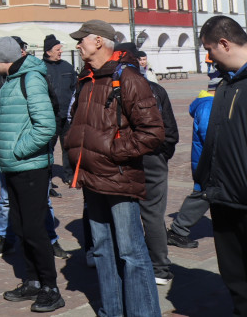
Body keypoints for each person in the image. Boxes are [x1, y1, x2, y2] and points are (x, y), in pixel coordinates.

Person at [65, 19, 164, 317]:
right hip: (92, 177)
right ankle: (112, 310)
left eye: (82, 39)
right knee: (103, 250)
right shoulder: (87, 77)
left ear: (98, 41)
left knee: (132, 252)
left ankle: (143, 313)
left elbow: (153, 132)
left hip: (119, 177)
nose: (77, 44)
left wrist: (113, 151)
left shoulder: (129, 77)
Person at [0, 36, 65, 311]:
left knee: (34, 229)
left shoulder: (30, 79)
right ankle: (32, 281)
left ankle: (50, 288)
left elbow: (45, 126)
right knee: (21, 227)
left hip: (29, 167)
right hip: (15, 168)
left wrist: (18, 150)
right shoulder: (13, 80)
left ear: (3, 58)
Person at [114, 44, 180, 286]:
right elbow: (170, 131)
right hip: (152, 156)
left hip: (126, 156)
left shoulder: (115, 89)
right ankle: (160, 268)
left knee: (125, 211)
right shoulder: (155, 89)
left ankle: (132, 263)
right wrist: (161, 154)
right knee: (153, 213)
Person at [195, 15, 247, 315]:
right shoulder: (226, 83)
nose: (208, 56)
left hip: (243, 197)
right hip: (223, 197)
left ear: (224, 44)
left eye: (209, 49)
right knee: (236, 278)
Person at [167, 78, 217, 249]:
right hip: (208, 162)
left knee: (207, 195)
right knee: (202, 195)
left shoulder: (209, 103)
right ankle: (177, 231)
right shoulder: (208, 105)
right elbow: (210, 136)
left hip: (209, 161)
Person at [42, 34, 77, 184]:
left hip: (67, 114)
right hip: (49, 115)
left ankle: (69, 176)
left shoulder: (67, 66)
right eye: (57, 49)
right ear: (48, 52)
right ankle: (46, 178)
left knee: (68, 147)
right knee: (47, 148)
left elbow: (75, 87)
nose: (60, 52)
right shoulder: (40, 68)